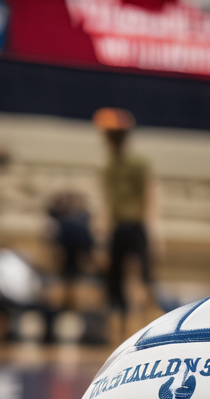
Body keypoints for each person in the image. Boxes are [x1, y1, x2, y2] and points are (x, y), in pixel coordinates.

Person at [94, 107, 159, 341]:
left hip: (137, 226)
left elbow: (150, 196)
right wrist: (102, 241)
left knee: (144, 278)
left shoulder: (139, 163)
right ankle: (118, 333)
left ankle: (146, 330)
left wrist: (152, 233)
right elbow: (108, 205)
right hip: (119, 228)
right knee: (114, 281)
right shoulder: (108, 168)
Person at [47, 191, 94, 311]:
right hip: (71, 255)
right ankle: (68, 307)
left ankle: (69, 307)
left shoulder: (70, 220)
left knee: (71, 282)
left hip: (71, 255)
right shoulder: (72, 220)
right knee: (70, 282)